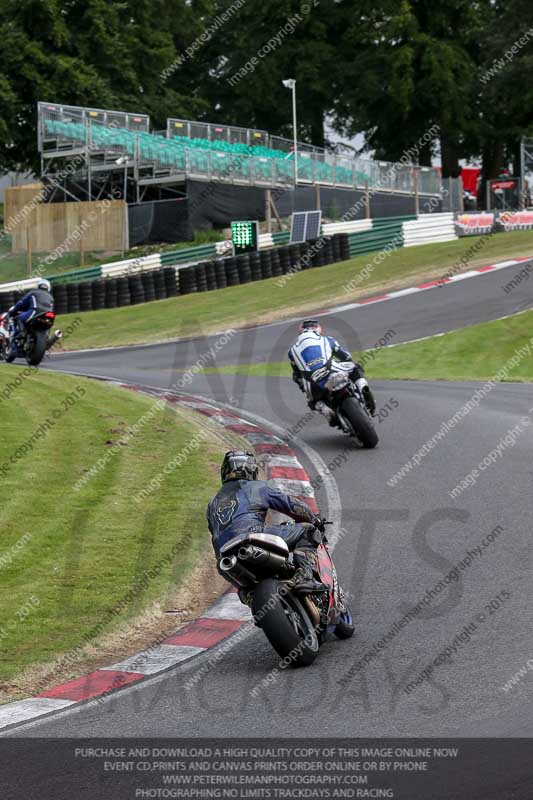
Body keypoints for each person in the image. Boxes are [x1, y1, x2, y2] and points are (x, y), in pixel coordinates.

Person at [206, 450, 327, 597]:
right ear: (252, 470)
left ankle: (249, 596)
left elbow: (214, 535)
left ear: (224, 472)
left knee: (246, 591)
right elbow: (294, 506)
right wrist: (314, 520)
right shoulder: (257, 487)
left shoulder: (212, 503)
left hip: (224, 557)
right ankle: (305, 577)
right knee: (308, 531)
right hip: (251, 536)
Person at [288, 319, 376, 421]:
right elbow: (346, 356)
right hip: (331, 370)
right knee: (355, 367)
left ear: (300, 332)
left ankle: (324, 409)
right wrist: (347, 362)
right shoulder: (328, 340)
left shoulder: (292, 351)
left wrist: (304, 389)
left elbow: (296, 375)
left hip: (313, 382)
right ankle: (363, 389)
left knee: (312, 402)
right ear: (318, 330)